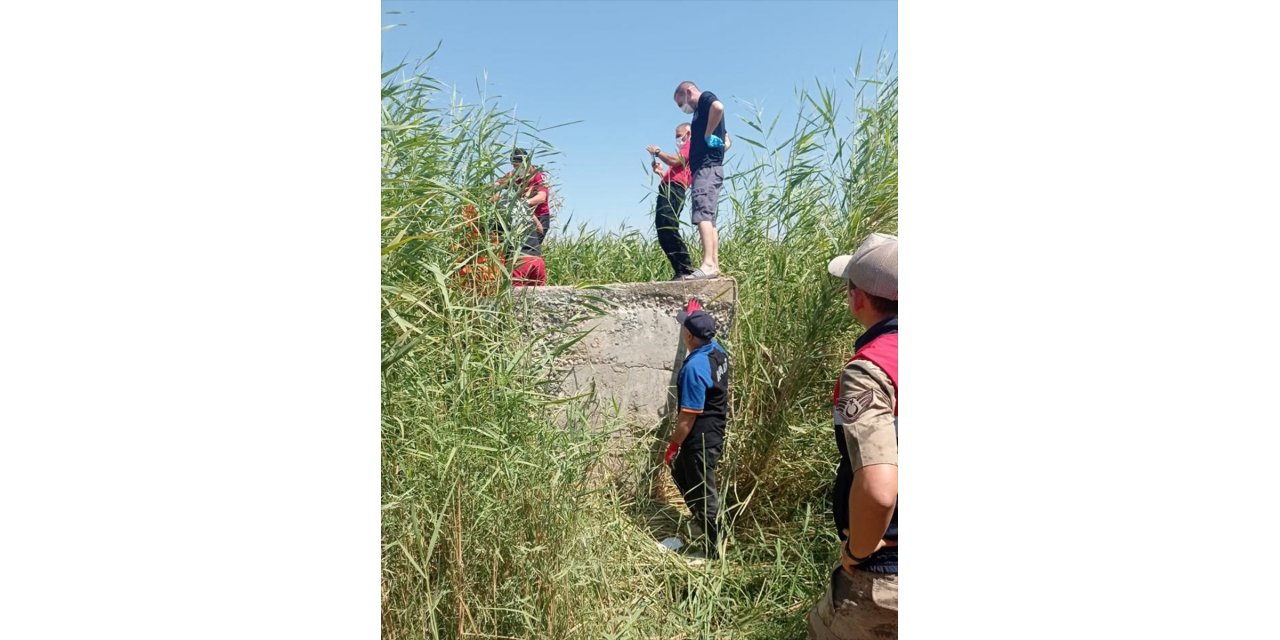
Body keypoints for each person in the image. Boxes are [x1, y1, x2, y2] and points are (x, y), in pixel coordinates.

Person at [808, 233, 898, 639]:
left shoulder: (867, 372)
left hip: (885, 581)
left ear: (858, 297)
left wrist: (858, 550)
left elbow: (879, 489)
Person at [664, 299, 730, 558]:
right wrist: (695, 312)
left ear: (689, 336)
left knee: (703, 494)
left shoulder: (694, 367)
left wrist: (673, 445)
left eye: (685, 328)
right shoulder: (716, 350)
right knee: (682, 473)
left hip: (699, 438)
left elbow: (686, 418)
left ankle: (714, 550)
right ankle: (702, 525)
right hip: (714, 430)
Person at [673, 80, 727, 280]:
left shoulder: (705, 98)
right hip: (708, 166)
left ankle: (708, 264)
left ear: (688, 92)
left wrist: (707, 133)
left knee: (702, 214)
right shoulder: (700, 114)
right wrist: (720, 145)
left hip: (706, 168)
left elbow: (718, 107)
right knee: (709, 218)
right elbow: (727, 139)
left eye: (681, 103)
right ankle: (714, 264)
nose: (682, 108)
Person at [490, 148, 550, 286]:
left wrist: (520, 205)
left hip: (538, 215)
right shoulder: (513, 175)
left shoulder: (538, 176)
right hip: (520, 214)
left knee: (527, 247)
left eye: (518, 165)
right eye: (514, 165)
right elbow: (497, 186)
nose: (515, 168)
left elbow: (541, 197)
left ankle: (520, 277)